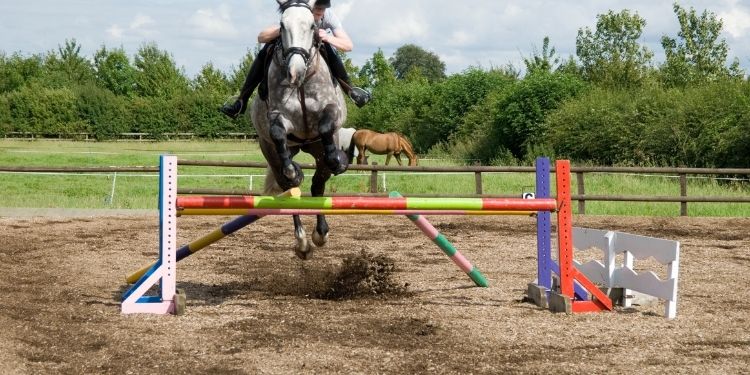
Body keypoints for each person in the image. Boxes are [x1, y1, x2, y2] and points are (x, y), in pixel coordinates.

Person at [220, 0, 370, 119]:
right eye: (316, 11)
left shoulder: (329, 16)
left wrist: (328, 37)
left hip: (314, 49)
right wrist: (286, 29)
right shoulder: (294, 12)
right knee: (266, 49)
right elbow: (261, 37)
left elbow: (348, 45)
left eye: (322, 11)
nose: (319, 15)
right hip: (291, 47)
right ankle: (241, 101)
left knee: (328, 48)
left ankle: (351, 91)